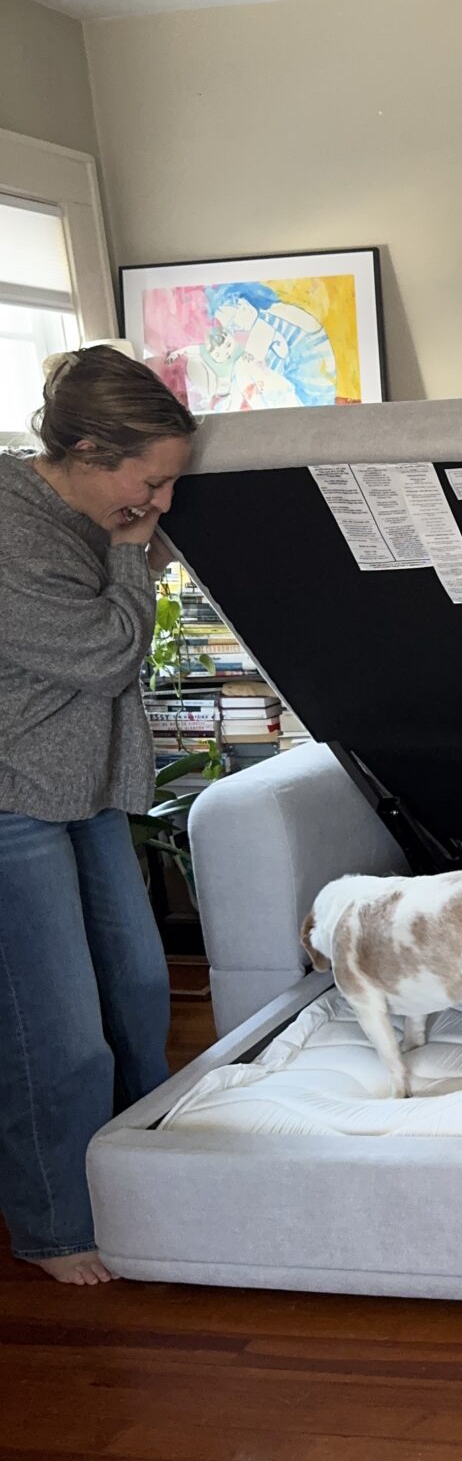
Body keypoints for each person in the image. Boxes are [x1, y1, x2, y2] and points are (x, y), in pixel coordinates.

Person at [0, 345, 198, 1283]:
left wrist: (130, 543)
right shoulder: (11, 531)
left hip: (87, 787)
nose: (157, 504)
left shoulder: (92, 504)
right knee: (57, 1030)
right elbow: (111, 658)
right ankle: (57, 1225)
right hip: (12, 799)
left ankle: (139, 1179)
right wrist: (132, 555)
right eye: (148, 482)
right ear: (85, 449)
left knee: (137, 988)